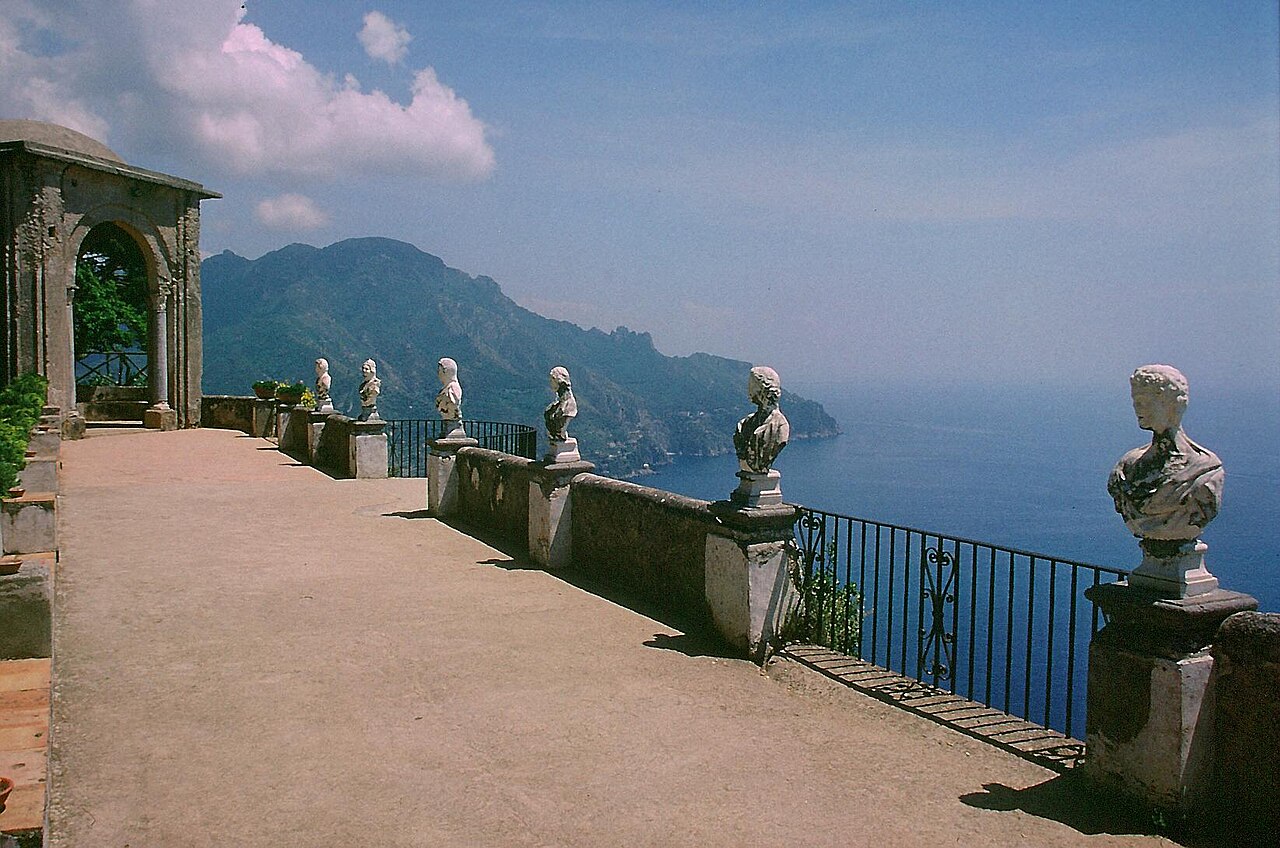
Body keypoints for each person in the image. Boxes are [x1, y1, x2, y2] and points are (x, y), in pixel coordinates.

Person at [1107, 364, 1223, 544]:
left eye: (1144, 402)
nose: (1137, 408)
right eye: (1135, 401)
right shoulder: (1127, 466)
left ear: (1169, 404)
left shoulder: (1207, 469)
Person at [733, 366, 789, 475]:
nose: (748, 389)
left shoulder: (780, 426)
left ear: (762, 389)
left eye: (751, 385)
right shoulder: (745, 423)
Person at [543, 366, 577, 442]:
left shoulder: (568, 406)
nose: (550, 383)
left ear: (558, 381)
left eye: (552, 381)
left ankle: (559, 434)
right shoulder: (555, 406)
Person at [435, 357, 462, 424]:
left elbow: (453, 402)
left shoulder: (453, 387)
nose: (438, 373)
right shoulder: (446, 388)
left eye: (440, 370)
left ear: (446, 371)